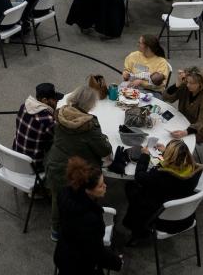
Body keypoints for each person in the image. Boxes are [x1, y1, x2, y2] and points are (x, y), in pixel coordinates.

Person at [43, 85, 112, 240]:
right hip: (76, 171)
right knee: (78, 203)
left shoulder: (61, 113)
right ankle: (77, 232)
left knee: (57, 198)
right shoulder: (90, 125)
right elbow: (104, 150)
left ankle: (56, 230)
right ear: (90, 104)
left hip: (55, 164)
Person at [122, 140, 202, 245]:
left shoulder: (161, 177)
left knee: (131, 187)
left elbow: (140, 176)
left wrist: (145, 156)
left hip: (164, 220)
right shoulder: (192, 170)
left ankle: (140, 233)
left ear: (170, 158)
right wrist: (163, 153)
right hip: (185, 216)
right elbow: (167, 165)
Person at [54, 157, 124, 274]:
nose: (105, 187)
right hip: (81, 266)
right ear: (87, 190)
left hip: (63, 254)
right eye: (101, 185)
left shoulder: (64, 195)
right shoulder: (90, 219)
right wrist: (118, 263)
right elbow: (96, 252)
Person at [13, 82, 61, 171]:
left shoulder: (23, 107)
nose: (57, 101)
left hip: (16, 157)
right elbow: (59, 140)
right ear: (44, 100)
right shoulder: (48, 120)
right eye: (54, 99)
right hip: (34, 166)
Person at [162, 67, 203, 145]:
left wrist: (185, 132)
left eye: (192, 83)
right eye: (187, 81)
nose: (188, 85)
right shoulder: (185, 86)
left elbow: (201, 123)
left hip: (202, 131)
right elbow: (166, 98)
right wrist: (177, 85)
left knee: (173, 141)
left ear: (200, 84)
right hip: (184, 120)